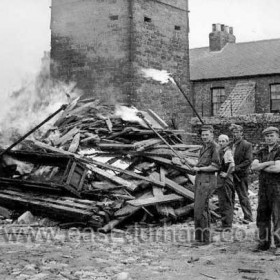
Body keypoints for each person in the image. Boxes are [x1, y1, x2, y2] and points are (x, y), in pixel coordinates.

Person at [251, 127, 280, 255]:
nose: (269, 138)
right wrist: (270, 162)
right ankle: (264, 243)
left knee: (278, 216)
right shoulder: (261, 151)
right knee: (262, 216)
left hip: (277, 188)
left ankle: (279, 245)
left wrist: (261, 167)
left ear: (277, 136)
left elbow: (277, 169)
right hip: (263, 188)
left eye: (271, 135)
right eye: (267, 136)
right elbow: (253, 166)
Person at [193, 125, 220, 244]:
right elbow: (201, 164)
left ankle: (205, 239)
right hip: (200, 179)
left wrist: (199, 169)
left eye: (206, 134)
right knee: (199, 208)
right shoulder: (203, 147)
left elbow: (216, 166)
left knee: (201, 208)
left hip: (208, 180)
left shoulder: (215, 147)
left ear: (212, 135)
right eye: (202, 135)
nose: (204, 137)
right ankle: (200, 237)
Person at [230, 124, 253, 223]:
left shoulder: (246, 145)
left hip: (241, 175)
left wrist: (236, 168)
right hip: (230, 174)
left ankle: (248, 217)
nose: (235, 134)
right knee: (230, 196)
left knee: (243, 196)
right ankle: (230, 218)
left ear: (241, 133)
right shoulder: (230, 144)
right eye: (233, 132)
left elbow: (248, 161)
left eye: (237, 132)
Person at [216, 134, 235, 231]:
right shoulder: (221, 151)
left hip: (225, 180)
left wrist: (226, 174)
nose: (221, 143)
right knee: (223, 200)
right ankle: (226, 224)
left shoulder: (227, 152)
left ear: (227, 142)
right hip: (221, 179)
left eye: (223, 141)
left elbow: (232, 165)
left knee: (226, 201)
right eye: (219, 141)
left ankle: (227, 225)